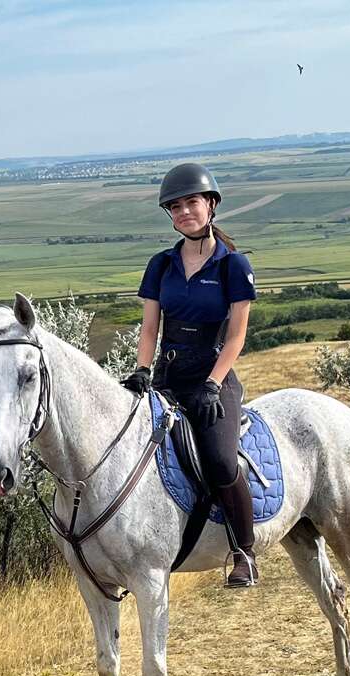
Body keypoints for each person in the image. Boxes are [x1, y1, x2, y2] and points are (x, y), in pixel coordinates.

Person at [125, 162, 260, 587]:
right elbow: (150, 328)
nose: (184, 212)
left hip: (214, 378)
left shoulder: (232, 266)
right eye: (176, 206)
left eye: (192, 203)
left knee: (220, 460)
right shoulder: (161, 265)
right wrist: (142, 369)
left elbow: (236, 337)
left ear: (211, 205)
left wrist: (213, 384)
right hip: (168, 376)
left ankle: (244, 551)